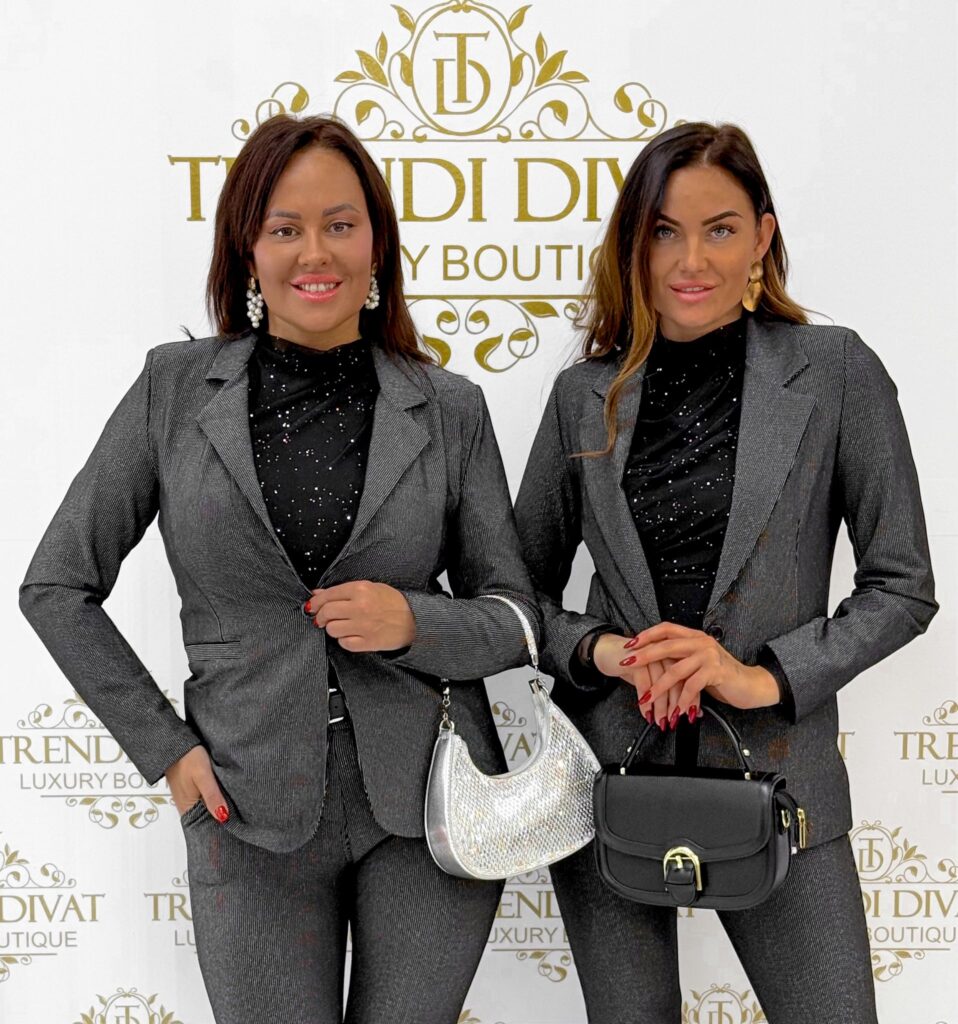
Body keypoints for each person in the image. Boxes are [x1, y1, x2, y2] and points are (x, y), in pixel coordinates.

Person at [19, 114, 539, 1024]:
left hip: (429, 803)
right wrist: (167, 750)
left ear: (377, 243)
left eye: (340, 224)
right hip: (244, 802)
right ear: (247, 249)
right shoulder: (174, 389)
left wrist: (415, 622)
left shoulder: (450, 407)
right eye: (285, 227)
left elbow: (516, 617)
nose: (315, 252)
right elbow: (56, 586)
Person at [514, 122, 936, 1023]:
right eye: (664, 231)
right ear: (634, 243)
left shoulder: (835, 372)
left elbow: (902, 584)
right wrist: (606, 653)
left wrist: (760, 677)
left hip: (781, 774)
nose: (691, 260)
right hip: (607, 778)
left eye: (720, 229)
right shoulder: (584, 395)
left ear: (762, 237)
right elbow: (514, 595)